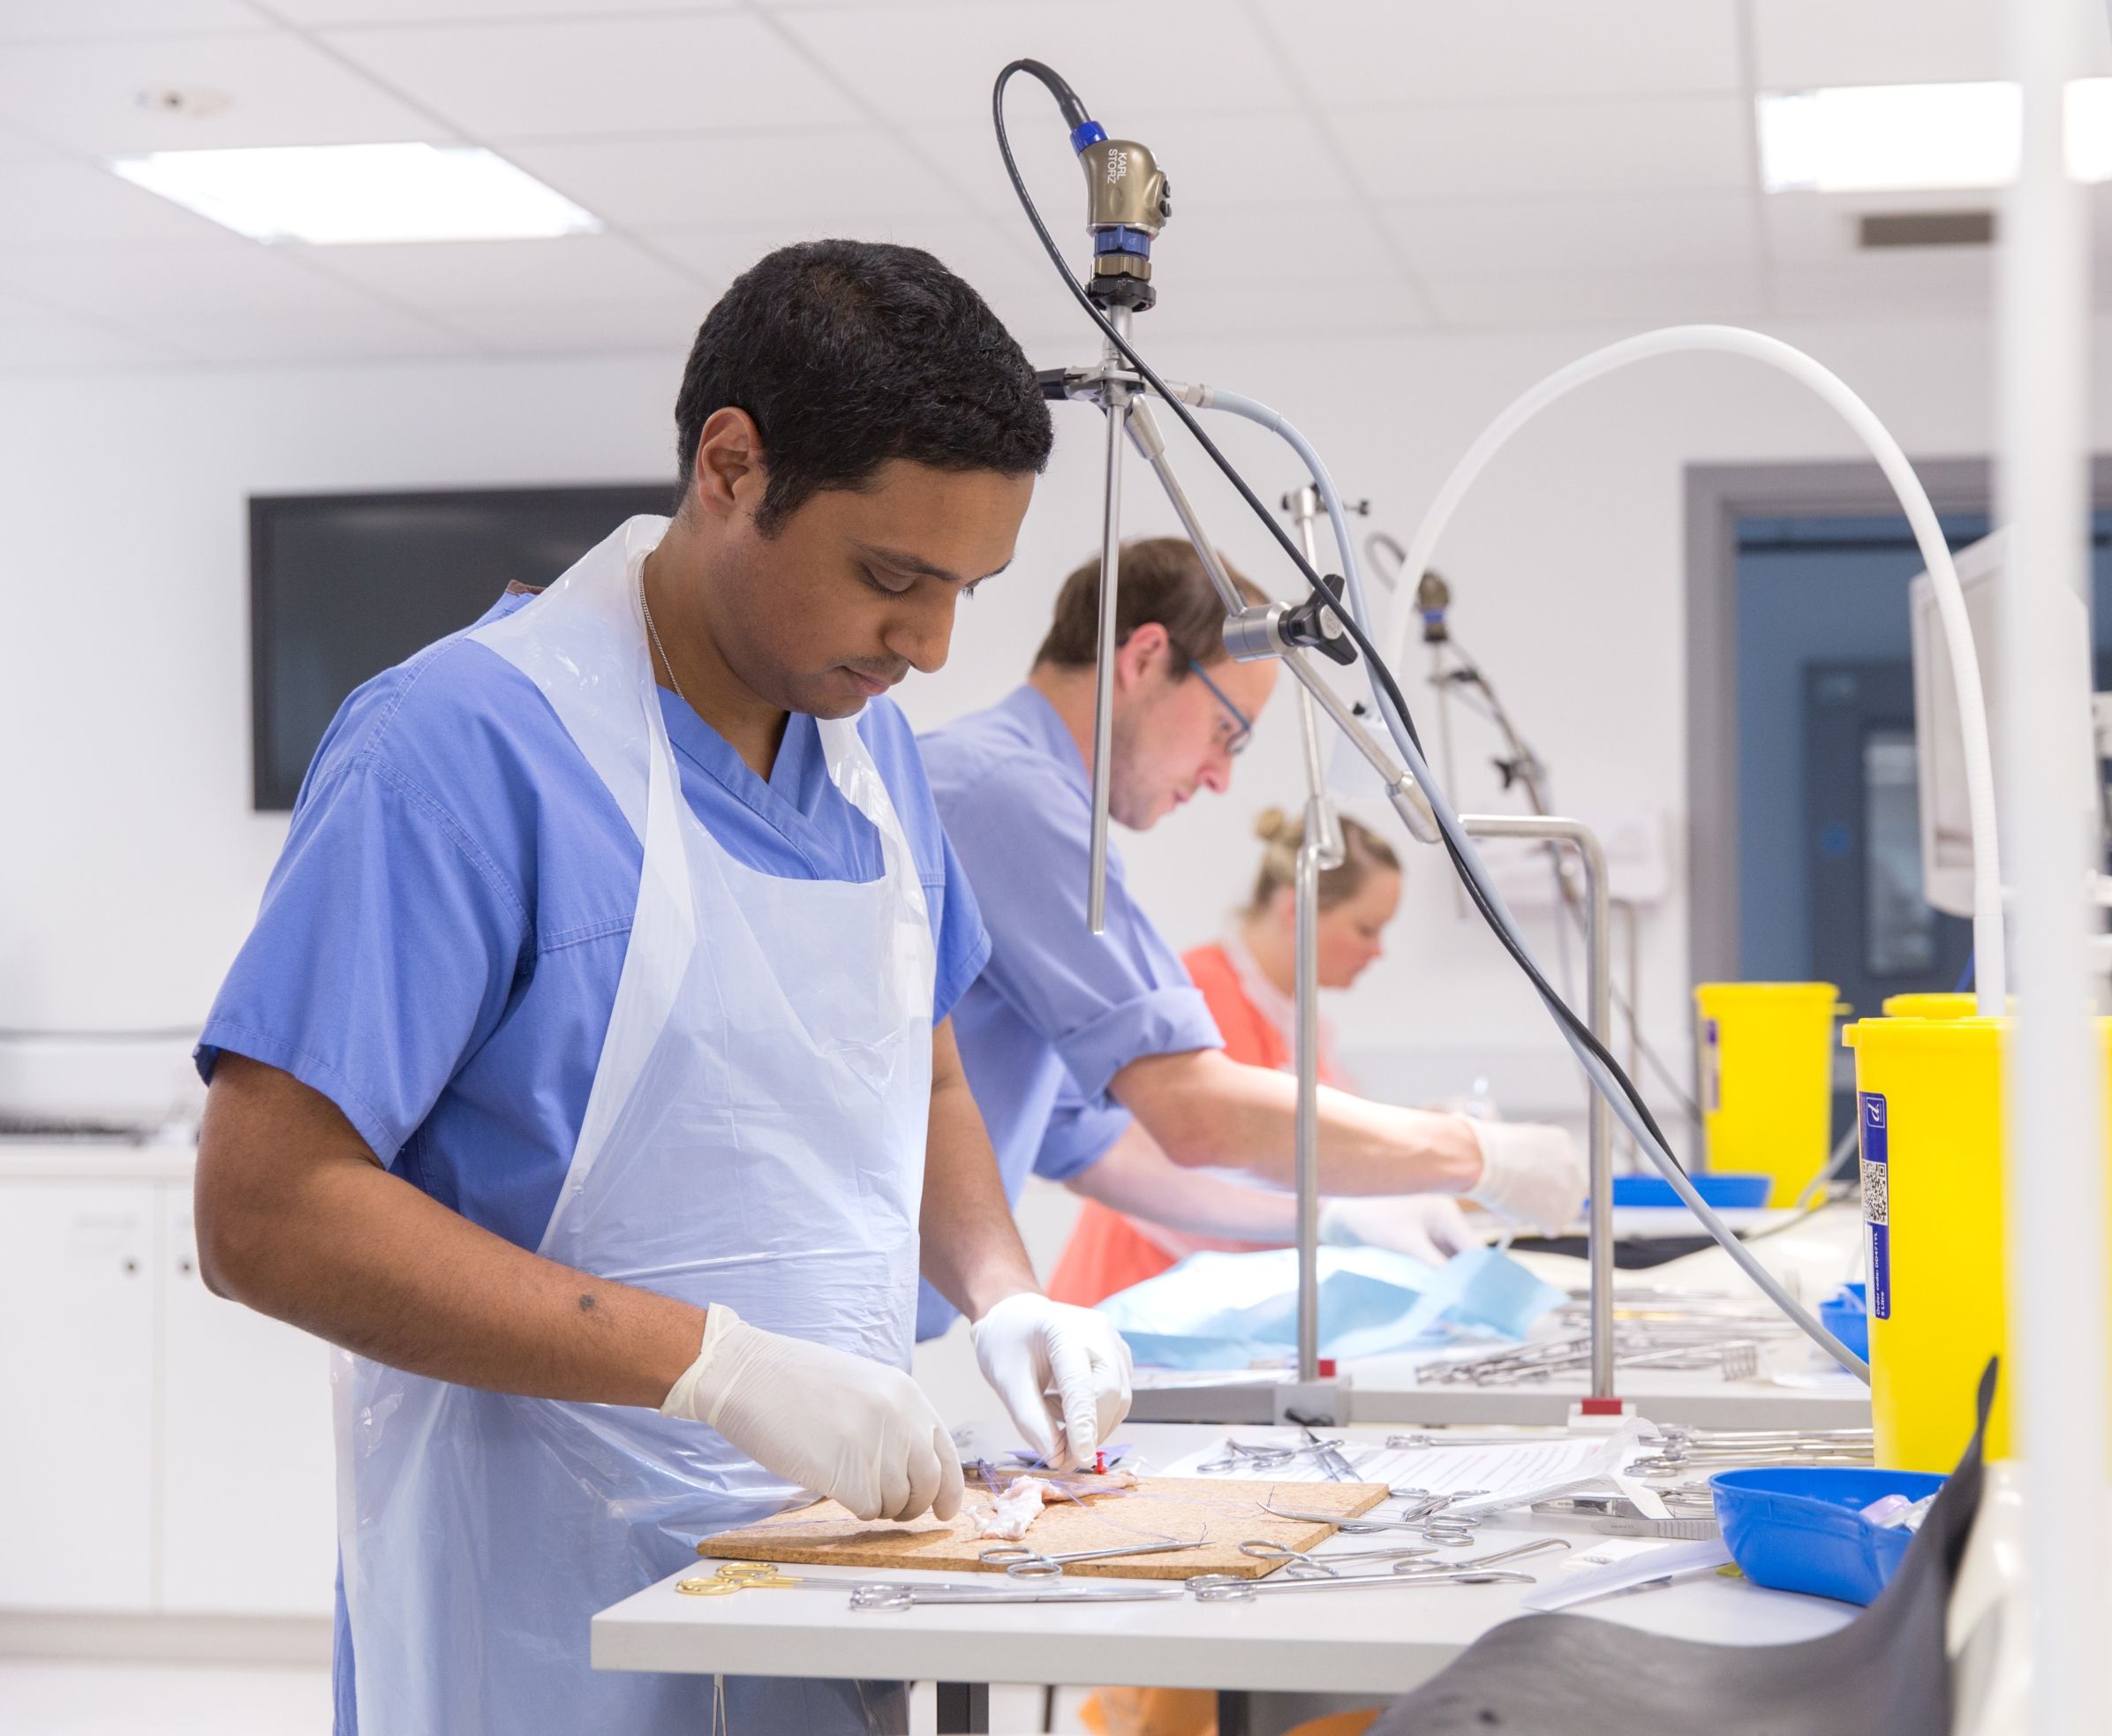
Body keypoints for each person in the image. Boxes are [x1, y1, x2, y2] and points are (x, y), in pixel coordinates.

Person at [190, 241, 1131, 1735]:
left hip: (830, 1594)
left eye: (967, 591)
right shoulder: (458, 753)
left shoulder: (868, 752)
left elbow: (924, 1064)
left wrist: (1006, 1290)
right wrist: (714, 1367)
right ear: (731, 466)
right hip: (546, 1623)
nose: (931, 644)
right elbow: (264, 1211)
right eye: (892, 577)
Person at [916, 539, 1583, 1344]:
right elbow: (1198, 1118)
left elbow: (1104, 1152)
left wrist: (1333, 1214)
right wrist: (1478, 1154)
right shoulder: (1006, 796)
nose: (1221, 778)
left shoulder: (1015, 799)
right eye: (1228, 734)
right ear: (1146, 657)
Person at [1047, 807, 1480, 1306]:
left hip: (1223, 1298)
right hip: (1142, 1293)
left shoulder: (1298, 1022)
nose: (1378, 952)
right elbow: (1225, 1162)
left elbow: (1319, 1152)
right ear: (1297, 909)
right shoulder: (1198, 999)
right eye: (1366, 929)